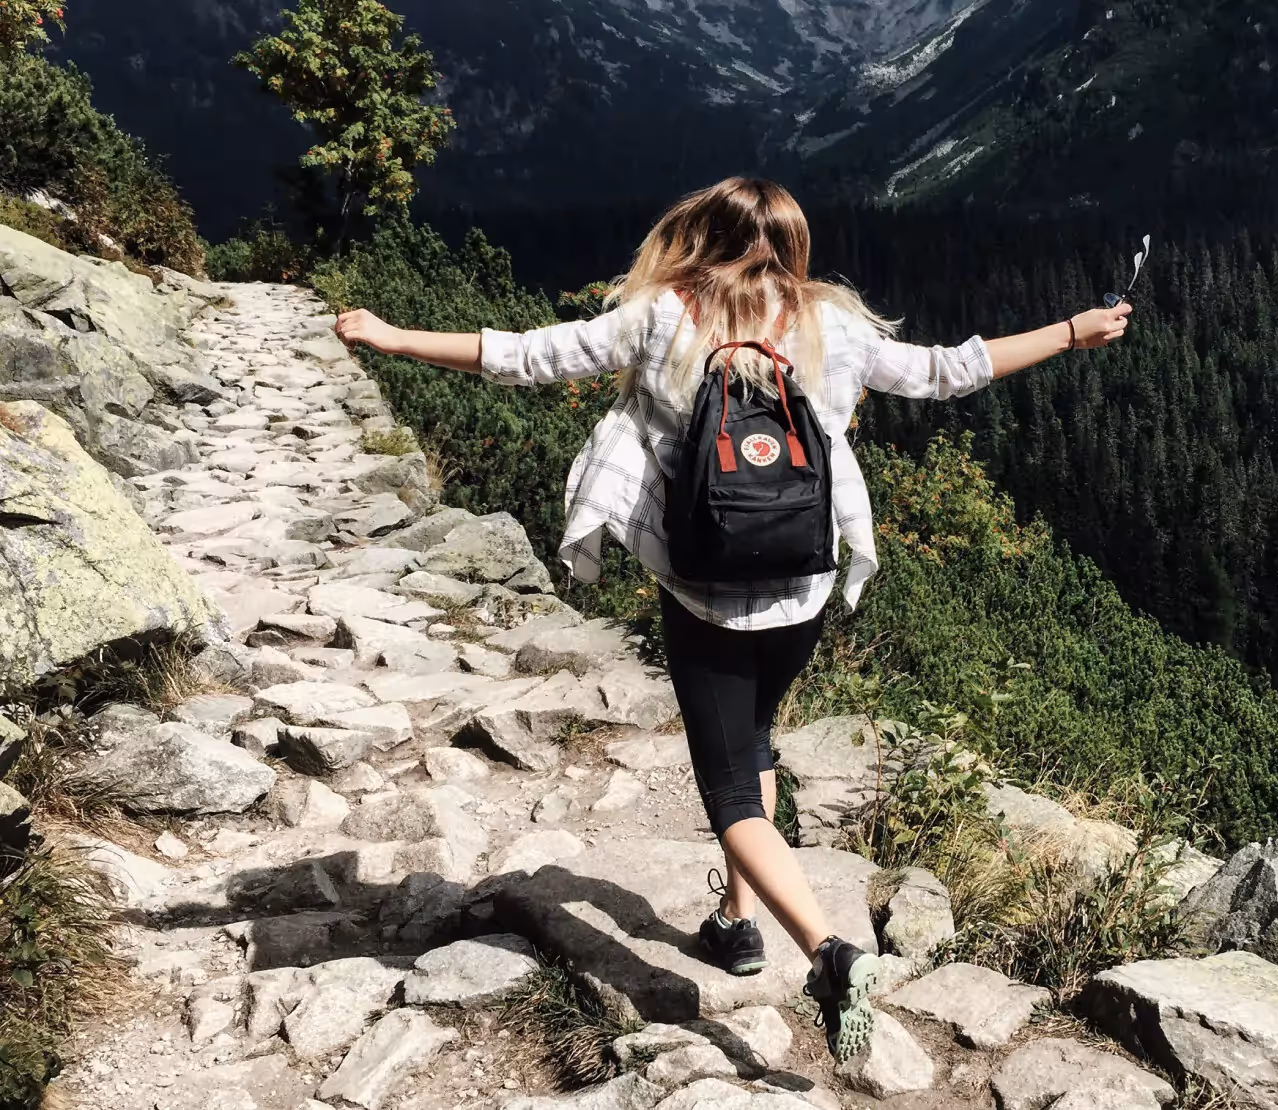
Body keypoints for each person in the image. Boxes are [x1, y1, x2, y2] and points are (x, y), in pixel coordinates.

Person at [334, 177, 1131, 1062]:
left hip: (704, 592)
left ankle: (827, 954)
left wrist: (392, 336)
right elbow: (949, 372)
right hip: (803, 585)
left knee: (726, 785)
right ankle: (733, 923)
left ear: (700, 238)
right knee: (755, 743)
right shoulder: (833, 323)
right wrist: (1072, 330)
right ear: (792, 246)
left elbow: (528, 355)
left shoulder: (658, 315)